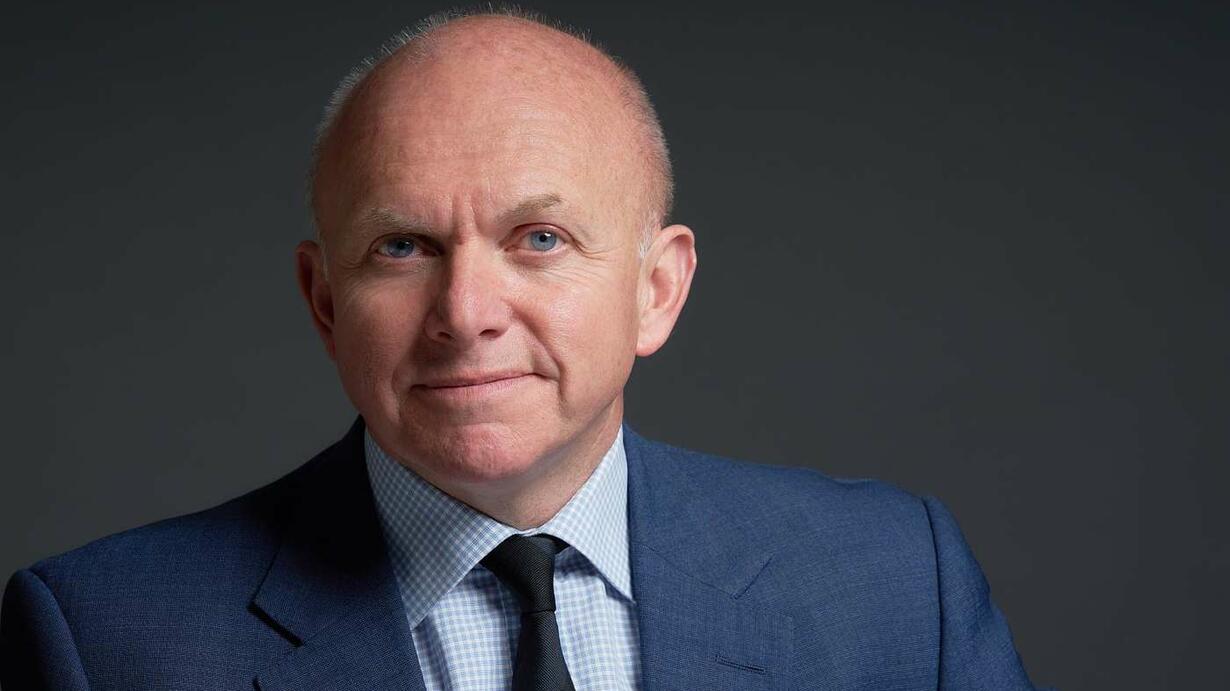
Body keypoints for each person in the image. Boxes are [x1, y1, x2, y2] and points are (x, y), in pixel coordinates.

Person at [0, 8, 1048, 690]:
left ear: (656, 288)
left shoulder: (893, 587)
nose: (466, 311)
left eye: (539, 239)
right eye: (402, 246)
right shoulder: (105, 639)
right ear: (325, 303)